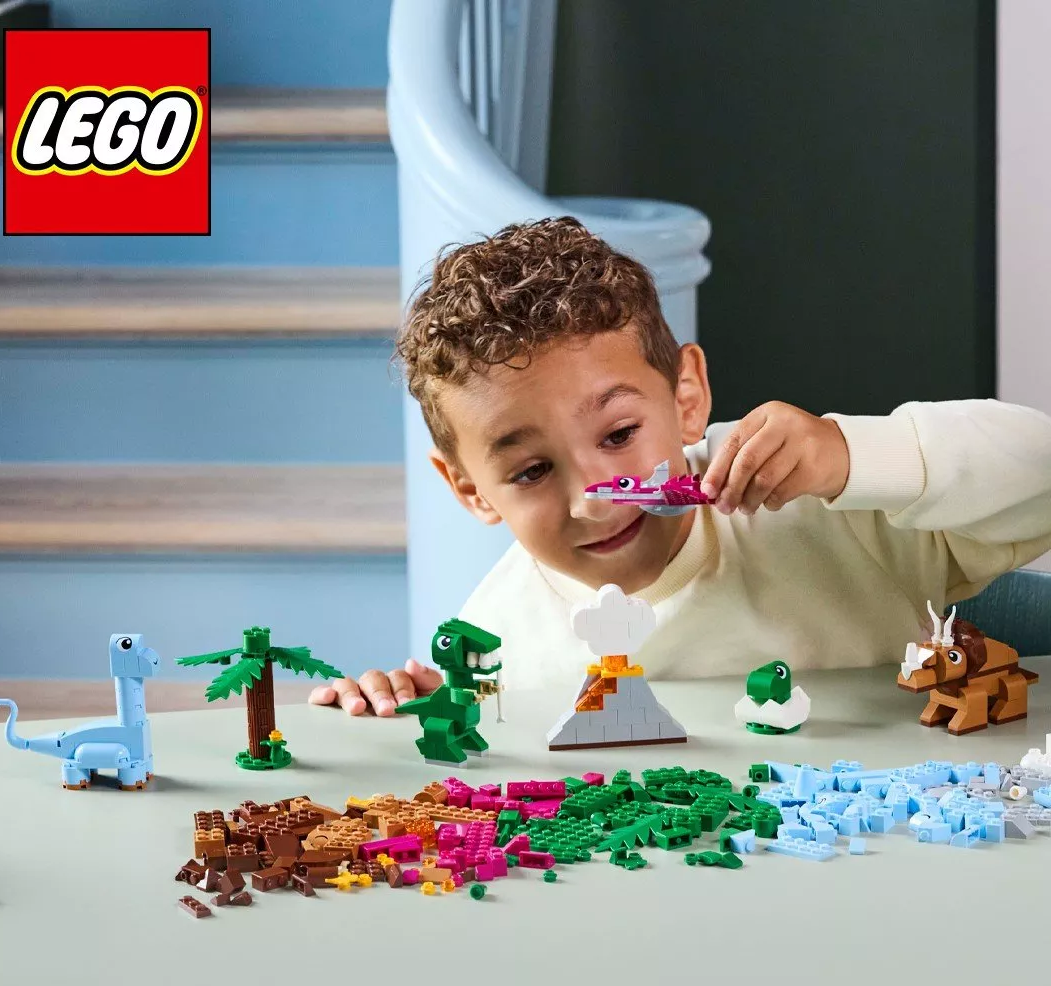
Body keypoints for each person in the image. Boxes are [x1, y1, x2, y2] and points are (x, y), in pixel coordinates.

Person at [311, 216, 1051, 715]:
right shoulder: (491, 644)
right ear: (471, 490)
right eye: (532, 472)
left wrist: (852, 455)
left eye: (619, 433)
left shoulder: (833, 509)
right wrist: (392, 708)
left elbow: (1040, 474)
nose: (594, 501)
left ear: (687, 397)